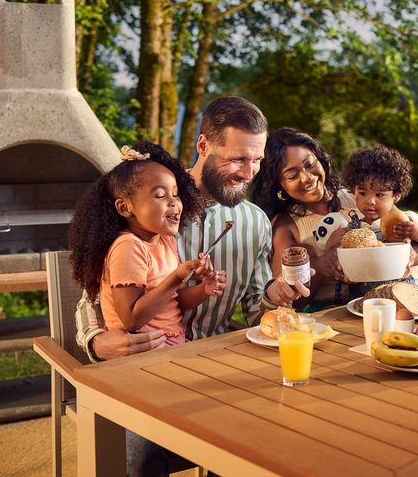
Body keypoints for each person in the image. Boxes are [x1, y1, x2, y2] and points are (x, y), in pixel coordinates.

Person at [73, 98, 310, 477]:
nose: (249, 173)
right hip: (146, 368)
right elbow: (94, 291)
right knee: (144, 455)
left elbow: (253, 308)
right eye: (237, 159)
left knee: (269, 434)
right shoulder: (151, 199)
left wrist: (275, 295)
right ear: (203, 147)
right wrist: (96, 341)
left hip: (216, 365)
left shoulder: (255, 223)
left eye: (257, 160)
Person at [69, 142, 227, 348]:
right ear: (125, 207)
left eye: (175, 193)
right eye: (160, 195)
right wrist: (178, 276)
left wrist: (204, 289)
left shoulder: (165, 240)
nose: (173, 202)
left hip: (171, 345)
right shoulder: (128, 247)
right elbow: (131, 319)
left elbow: (172, 302)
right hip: (142, 353)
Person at [251, 129, 418, 309]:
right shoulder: (286, 227)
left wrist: (411, 256)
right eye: (292, 175)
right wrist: (321, 266)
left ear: (321, 160)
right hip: (332, 316)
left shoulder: (358, 198)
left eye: (310, 164)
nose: (307, 177)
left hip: (389, 302)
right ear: (278, 185)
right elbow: (290, 300)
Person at [343, 144, 418, 277]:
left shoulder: (406, 220)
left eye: (380, 194)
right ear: (353, 190)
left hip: (404, 290)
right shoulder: (354, 229)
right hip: (366, 295)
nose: (370, 201)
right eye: (363, 193)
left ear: (397, 195)